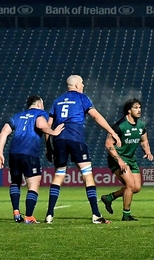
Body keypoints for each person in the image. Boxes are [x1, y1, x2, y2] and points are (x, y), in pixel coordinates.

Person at [45, 75, 122, 224]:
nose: (83, 85)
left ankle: (49, 214)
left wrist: (49, 147)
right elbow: (96, 117)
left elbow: (48, 126)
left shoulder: (57, 101)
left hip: (59, 139)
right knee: (87, 174)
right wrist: (112, 132)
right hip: (75, 137)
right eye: (82, 83)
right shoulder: (82, 98)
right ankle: (96, 215)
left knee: (59, 174)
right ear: (76, 85)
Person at [0, 95, 64, 224]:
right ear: (39, 104)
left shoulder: (17, 116)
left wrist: (0, 152)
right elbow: (40, 125)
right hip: (29, 152)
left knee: (15, 182)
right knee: (33, 184)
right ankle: (29, 216)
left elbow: (3, 133)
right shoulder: (40, 113)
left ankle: (16, 212)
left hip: (14, 153)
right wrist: (53, 132)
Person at [100, 98, 154, 221]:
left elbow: (144, 139)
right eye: (136, 108)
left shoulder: (141, 125)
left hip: (131, 159)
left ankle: (109, 198)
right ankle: (126, 215)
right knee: (130, 185)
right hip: (117, 159)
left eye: (140, 107)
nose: (139, 110)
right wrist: (119, 160)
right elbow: (108, 144)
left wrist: (147, 151)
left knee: (136, 188)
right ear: (129, 110)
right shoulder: (119, 126)